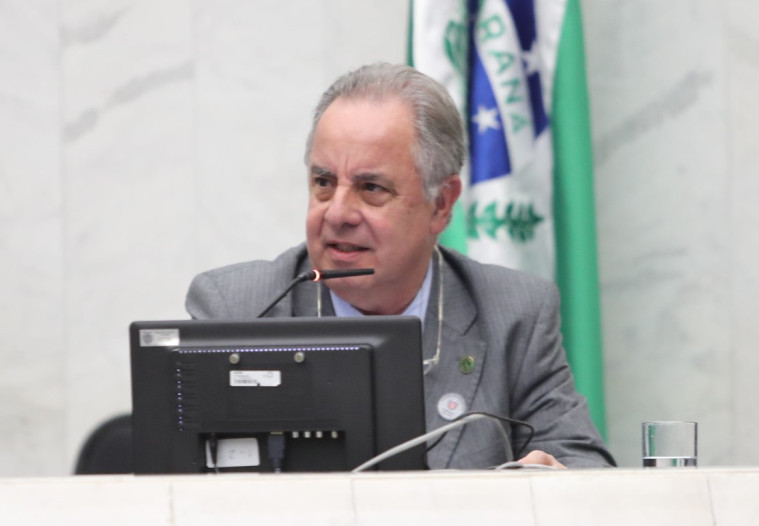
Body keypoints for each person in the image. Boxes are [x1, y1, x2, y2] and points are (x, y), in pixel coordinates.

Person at [186, 63, 615, 469]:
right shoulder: (239, 310)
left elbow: (582, 466)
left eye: (371, 188)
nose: (337, 213)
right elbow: (181, 486)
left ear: (441, 205)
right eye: (323, 183)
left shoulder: (514, 314)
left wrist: (554, 477)